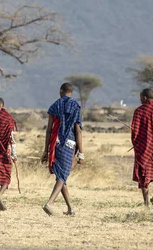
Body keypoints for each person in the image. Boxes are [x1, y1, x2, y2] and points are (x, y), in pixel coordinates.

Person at [41, 83, 84, 216]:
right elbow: (78, 131)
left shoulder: (55, 105)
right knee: (63, 175)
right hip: (69, 143)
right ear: (71, 92)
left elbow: (48, 130)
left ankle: (70, 209)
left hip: (55, 143)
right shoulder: (75, 106)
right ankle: (50, 203)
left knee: (61, 175)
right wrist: (81, 153)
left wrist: (46, 150)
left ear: (61, 92)